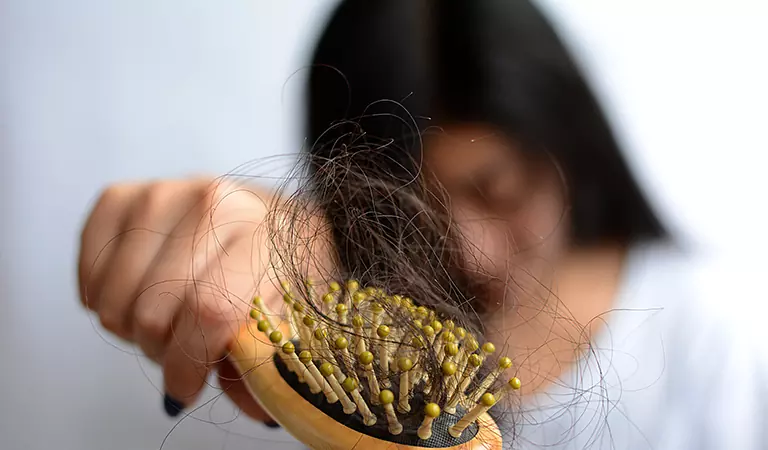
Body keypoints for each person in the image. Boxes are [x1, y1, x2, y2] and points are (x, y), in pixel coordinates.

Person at [78, 0, 767, 448]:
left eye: (496, 189)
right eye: (408, 216)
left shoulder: (731, 340)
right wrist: (270, 245)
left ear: (568, 145)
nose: (472, 253)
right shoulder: (338, 337)